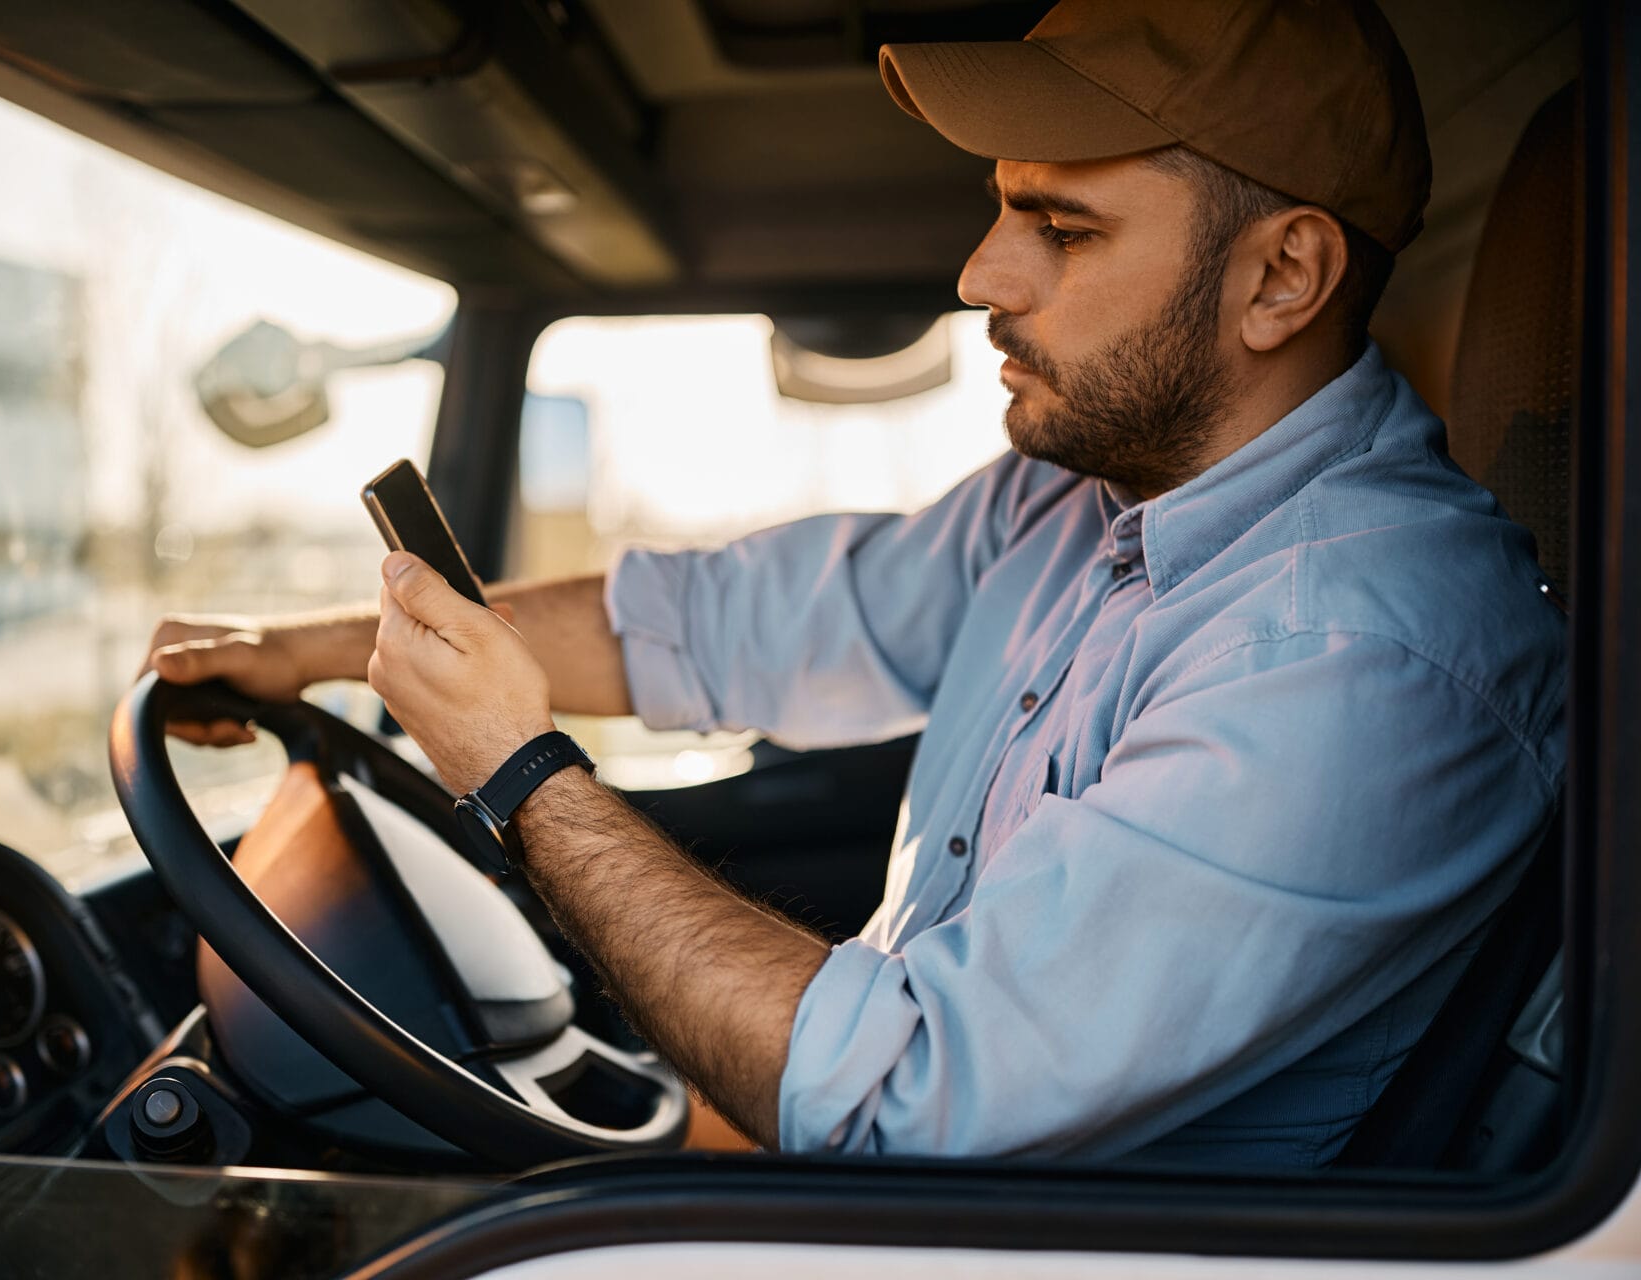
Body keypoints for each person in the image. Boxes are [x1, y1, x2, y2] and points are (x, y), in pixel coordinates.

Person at [143, 0, 1565, 1167]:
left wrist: (519, 775)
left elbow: (905, 1100)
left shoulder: (1360, 655)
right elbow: (724, 625)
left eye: (1062, 231)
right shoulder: (1088, 497)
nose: (978, 274)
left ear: (1282, 279)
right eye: (1000, 211)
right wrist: (317, 648)